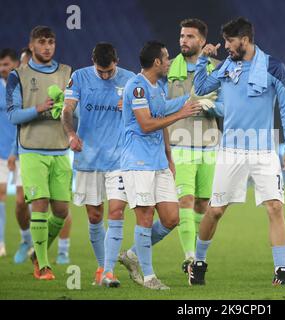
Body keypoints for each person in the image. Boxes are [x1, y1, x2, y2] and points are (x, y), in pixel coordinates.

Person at [190, 17, 285, 286]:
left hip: (263, 152)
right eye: (225, 41)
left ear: (245, 40)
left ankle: (280, 271)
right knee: (215, 211)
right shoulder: (227, 65)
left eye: (229, 41)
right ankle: (198, 263)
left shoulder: (273, 67)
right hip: (231, 151)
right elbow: (202, 88)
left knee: (275, 207)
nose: (225, 46)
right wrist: (203, 60)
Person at [121, 41, 202, 289]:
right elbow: (146, 124)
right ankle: (148, 277)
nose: (169, 62)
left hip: (158, 162)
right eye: (166, 58)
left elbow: (162, 113)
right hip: (137, 161)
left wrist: (168, 155)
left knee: (171, 218)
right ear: (157, 62)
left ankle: (132, 254)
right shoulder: (136, 86)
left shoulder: (158, 86)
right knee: (144, 218)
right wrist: (182, 113)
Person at [62, 42, 135, 287]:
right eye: (101, 71)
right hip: (88, 158)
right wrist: (71, 134)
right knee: (95, 216)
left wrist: (130, 110)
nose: (105, 75)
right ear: (93, 62)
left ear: (117, 61)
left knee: (116, 212)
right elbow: (67, 110)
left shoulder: (130, 79)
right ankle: (102, 266)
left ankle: (109, 272)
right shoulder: (79, 77)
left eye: (109, 71)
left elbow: (146, 112)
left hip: (119, 159)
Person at [6, 26, 73, 280]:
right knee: (40, 205)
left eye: (51, 42)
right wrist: (39, 108)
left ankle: (37, 251)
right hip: (32, 149)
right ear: (31, 45)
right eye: (42, 42)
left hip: (60, 149)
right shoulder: (18, 75)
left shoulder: (67, 72)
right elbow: (12, 115)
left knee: (61, 211)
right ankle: (43, 266)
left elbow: (74, 110)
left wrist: (66, 113)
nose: (47, 47)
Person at [166, 18, 221, 272]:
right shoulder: (167, 70)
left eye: (189, 36)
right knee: (185, 200)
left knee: (202, 204)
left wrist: (213, 107)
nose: (183, 41)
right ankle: (189, 258)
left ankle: (197, 255)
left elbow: (228, 107)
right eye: (181, 36)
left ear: (202, 40)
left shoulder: (217, 68)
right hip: (180, 144)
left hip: (209, 145)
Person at [0, 48, 27, 259]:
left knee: (22, 201)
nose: (3, 68)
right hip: (0, 151)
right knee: (0, 195)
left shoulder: (22, 88)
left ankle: (25, 239)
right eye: (0, 65)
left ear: (15, 65)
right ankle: (0, 243)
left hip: (21, 149)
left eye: (6, 64)